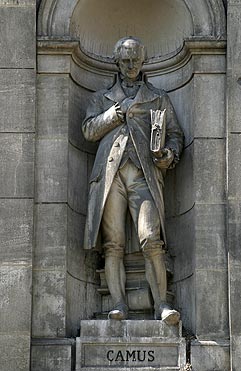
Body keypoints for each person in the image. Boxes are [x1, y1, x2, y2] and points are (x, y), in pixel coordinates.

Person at [82, 37, 184, 324]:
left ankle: (162, 304)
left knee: (151, 238)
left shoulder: (158, 97)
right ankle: (118, 303)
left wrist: (169, 154)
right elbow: (88, 130)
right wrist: (114, 115)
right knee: (112, 243)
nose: (130, 66)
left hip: (143, 174)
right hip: (110, 175)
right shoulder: (102, 98)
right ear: (116, 61)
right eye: (125, 60)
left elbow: (175, 134)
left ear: (143, 61)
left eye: (135, 60)